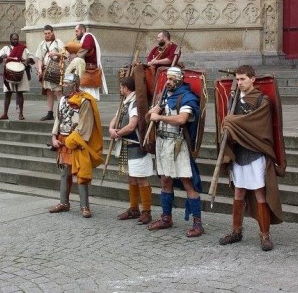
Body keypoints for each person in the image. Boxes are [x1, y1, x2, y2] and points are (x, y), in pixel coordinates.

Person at [217, 65, 283, 251]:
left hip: (255, 152)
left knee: (260, 193)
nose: (239, 83)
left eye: (243, 79)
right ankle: (236, 231)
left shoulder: (263, 100)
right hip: (239, 154)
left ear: (253, 79)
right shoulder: (234, 99)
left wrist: (231, 122)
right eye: (237, 79)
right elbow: (228, 123)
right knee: (238, 193)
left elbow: (256, 124)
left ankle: (264, 235)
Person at [146, 67, 204, 237]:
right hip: (163, 143)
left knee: (188, 183)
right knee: (165, 181)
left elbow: (182, 119)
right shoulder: (164, 97)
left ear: (179, 80)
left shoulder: (187, 97)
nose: (168, 82)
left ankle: (198, 223)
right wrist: (153, 112)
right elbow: (150, 118)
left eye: (171, 79)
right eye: (167, 79)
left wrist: (160, 117)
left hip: (178, 146)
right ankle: (166, 218)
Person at [48, 72, 104, 218]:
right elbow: (58, 119)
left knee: (81, 172)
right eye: (63, 83)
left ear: (75, 85)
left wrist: (74, 140)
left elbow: (86, 124)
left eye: (67, 84)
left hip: (77, 141)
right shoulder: (61, 100)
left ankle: (84, 206)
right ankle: (63, 203)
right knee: (64, 172)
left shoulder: (84, 101)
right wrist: (54, 136)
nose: (64, 86)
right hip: (62, 139)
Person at [109, 76, 154, 225]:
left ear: (125, 88)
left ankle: (146, 212)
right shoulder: (125, 102)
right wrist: (111, 128)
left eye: (121, 87)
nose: (120, 90)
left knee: (141, 179)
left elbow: (131, 125)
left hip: (136, 145)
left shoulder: (135, 104)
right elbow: (115, 119)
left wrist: (117, 133)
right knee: (132, 178)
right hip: (126, 146)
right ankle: (134, 209)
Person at [0, 33, 34, 120]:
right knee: (7, 94)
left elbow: (31, 57)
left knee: (20, 93)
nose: (15, 41)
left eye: (16, 39)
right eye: (13, 39)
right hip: (8, 73)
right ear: (10, 39)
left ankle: (21, 114)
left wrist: (27, 60)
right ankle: (5, 114)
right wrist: (2, 57)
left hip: (20, 72)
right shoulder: (5, 49)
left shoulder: (23, 48)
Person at [68, 24, 108, 100]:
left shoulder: (88, 36)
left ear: (83, 30)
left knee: (89, 96)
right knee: (85, 96)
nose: (75, 34)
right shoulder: (84, 38)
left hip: (90, 72)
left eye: (77, 31)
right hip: (86, 71)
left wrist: (75, 56)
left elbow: (86, 48)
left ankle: (90, 110)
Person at [35, 25, 65, 121]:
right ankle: (50, 113)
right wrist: (39, 69)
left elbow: (65, 55)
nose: (47, 35)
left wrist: (55, 54)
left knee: (58, 92)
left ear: (52, 32)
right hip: (46, 71)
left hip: (56, 70)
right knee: (48, 92)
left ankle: (62, 113)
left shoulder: (58, 42)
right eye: (45, 33)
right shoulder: (42, 44)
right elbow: (39, 58)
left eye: (49, 33)